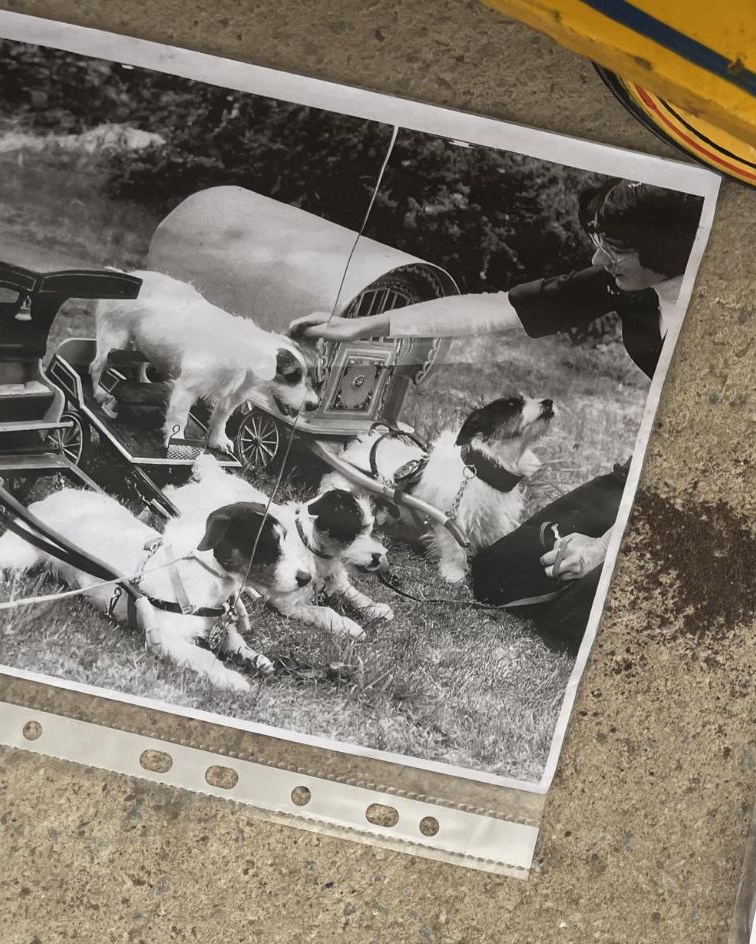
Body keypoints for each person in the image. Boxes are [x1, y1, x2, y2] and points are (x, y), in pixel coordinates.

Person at [295, 179, 703, 647]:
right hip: (643, 473)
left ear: (667, 246)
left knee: (583, 617)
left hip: (697, 493)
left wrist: (603, 546)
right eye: (598, 244)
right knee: (498, 575)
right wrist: (366, 323)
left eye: (613, 248)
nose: (596, 261)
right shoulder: (626, 283)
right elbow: (497, 309)